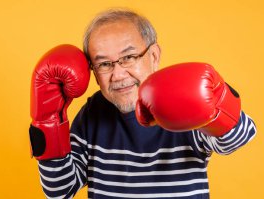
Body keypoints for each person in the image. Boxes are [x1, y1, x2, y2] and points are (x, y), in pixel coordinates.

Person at [29, 9, 256, 199]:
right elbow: (60, 190)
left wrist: (217, 100)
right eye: (104, 64)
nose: (118, 75)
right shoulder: (93, 112)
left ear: (154, 56)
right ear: (93, 73)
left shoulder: (181, 96)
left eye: (128, 57)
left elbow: (236, 140)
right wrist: (48, 119)